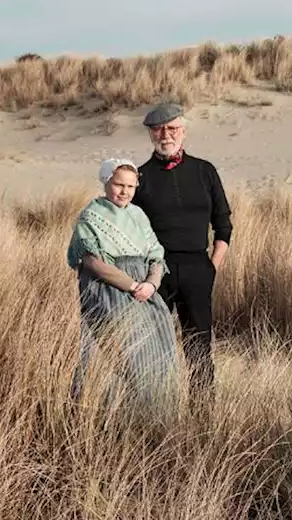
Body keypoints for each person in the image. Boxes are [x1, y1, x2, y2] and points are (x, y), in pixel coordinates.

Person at [130, 103, 232, 402]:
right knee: (152, 342)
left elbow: (223, 223)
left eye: (172, 128)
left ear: (183, 132)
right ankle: (156, 406)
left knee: (198, 343)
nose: (166, 135)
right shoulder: (140, 177)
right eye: (159, 129)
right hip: (156, 271)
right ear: (150, 134)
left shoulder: (205, 171)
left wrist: (212, 266)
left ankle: (202, 410)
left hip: (198, 267)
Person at [67, 158, 180, 413]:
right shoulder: (92, 215)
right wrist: (131, 285)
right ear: (107, 182)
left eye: (130, 186)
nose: (125, 191)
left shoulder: (138, 215)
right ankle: (103, 413)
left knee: (158, 344)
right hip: (108, 289)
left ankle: (153, 413)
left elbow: (156, 255)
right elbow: (92, 262)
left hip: (144, 289)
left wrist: (151, 284)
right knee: (114, 352)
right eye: (119, 184)